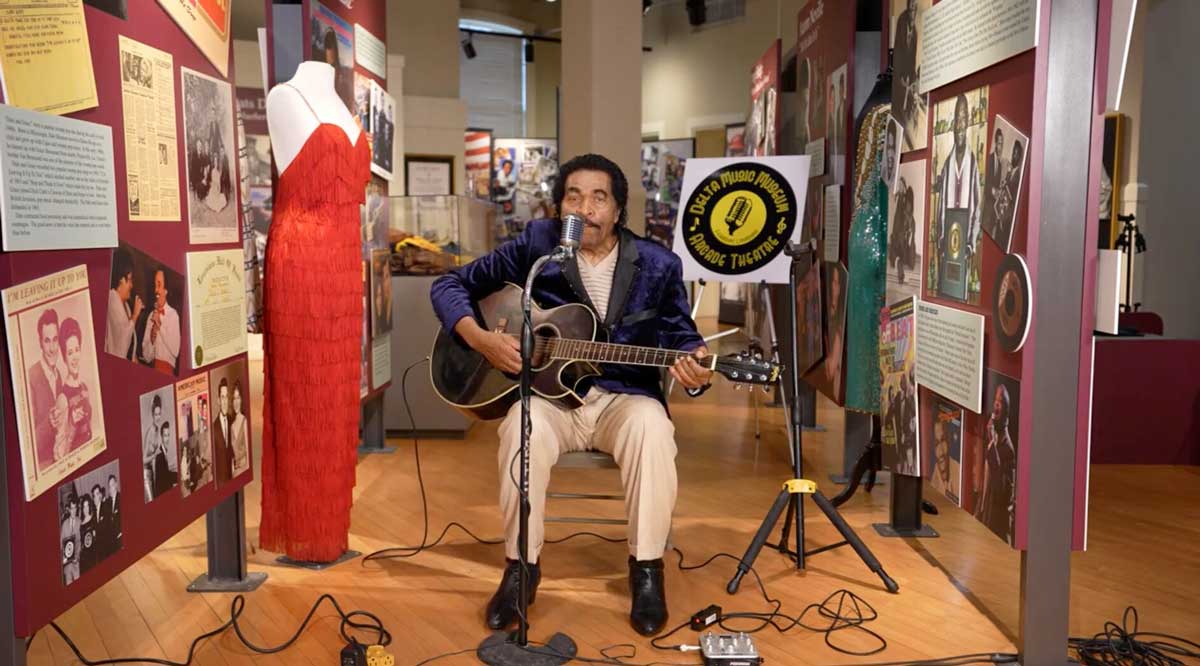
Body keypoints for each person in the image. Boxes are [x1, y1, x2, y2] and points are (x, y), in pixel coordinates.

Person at [430, 153, 711, 637]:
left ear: (619, 210)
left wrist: (696, 367)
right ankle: (522, 569)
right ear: (560, 207)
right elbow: (449, 284)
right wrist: (480, 338)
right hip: (551, 399)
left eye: (599, 197)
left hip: (623, 398)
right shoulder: (539, 246)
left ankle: (646, 571)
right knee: (522, 426)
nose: (586, 208)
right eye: (574, 196)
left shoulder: (658, 265)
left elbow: (683, 339)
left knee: (652, 429)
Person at [933, 94, 981, 301]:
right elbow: (940, 207)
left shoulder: (973, 164)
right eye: (957, 120)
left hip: (964, 252)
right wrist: (941, 239)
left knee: (960, 299)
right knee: (945, 295)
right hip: (947, 250)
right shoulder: (946, 164)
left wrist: (971, 243)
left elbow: (977, 207)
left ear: (968, 122)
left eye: (963, 119)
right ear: (953, 126)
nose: (960, 126)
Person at [976, 383, 1017, 545]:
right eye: (995, 400)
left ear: (1006, 411)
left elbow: (1001, 489)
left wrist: (992, 446)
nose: (996, 405)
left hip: (997, 528)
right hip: (985, 517)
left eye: (1000, 402)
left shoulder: (1007, 448)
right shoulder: (993, 437)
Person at [29, 308, 65, 470]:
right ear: (40, 343)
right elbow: (29, 445)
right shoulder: (31, 377)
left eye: (55, 340)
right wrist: (49, 424)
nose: (52, 348)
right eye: (47, 340)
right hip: (44, 468)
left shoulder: (59, 377)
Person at [56, 318, 93, 454]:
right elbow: (60, 454)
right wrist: (71, 423)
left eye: (77, 350)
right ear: (64, 357)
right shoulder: (62, 398)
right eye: (70, 353)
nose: (75, 357)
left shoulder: (84, 387)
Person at [140, 269, 181, 374]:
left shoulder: (173, 315)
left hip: (167, 372)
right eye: (154, 285)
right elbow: (146, 356)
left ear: (166, 290)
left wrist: (159, 325)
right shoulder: (150, 316)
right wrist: (152, 339)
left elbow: (176, 350)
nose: (155, 290)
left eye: (159, 285)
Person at [981, 127, 1006, 241]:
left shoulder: (1000, 165)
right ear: (995, 143)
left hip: (993, 210)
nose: (1001, 147)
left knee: (991, 235)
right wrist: (993, 190)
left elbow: (995, 184)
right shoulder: (989, 159)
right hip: (987, 208)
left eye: (1002, 144)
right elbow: (985, 183)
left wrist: (999, 190)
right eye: (999, 144)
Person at [212, 378, 233, 484]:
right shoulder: (214, 428)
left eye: (227, 397)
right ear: (218, 401)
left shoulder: (232, 420)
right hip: (221, 484)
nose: (225, 401)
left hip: (233, 479)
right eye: (222, 397)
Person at [230, 380, 250, 476]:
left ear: (242, 399)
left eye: (238, 398)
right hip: (235, 472)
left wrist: (240, 470)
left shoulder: (245, 422)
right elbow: (232, 457)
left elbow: (249, 462)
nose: (236, 402)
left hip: (244, 471)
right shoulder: (232, 426)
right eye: (234, 399)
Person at [60, 495, 81, 585]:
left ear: (76, 508)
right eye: (71, 508)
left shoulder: (80, 522)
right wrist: (64, 557)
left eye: (75, 508)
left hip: (76, 563)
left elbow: (80, 542)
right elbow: (61, 543)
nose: (73, 511)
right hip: (67, 566)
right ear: (69, 509)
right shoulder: (64, 524)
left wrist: (77, 556)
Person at [79, 495, 98, 573]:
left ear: (90, 506)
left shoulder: (93, 518)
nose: (85, 509)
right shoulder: (81, 523)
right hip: (84, 556)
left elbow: (97, 536)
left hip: (93, 553)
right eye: (84, 506)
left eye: (87, 506)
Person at [106, 475, 122, 556]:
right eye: (109, 486)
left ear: (116, 484)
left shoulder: (121, 498)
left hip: (121, 539)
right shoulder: (108, 503)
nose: (110, 488)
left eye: (112, 485)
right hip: (112, 541)